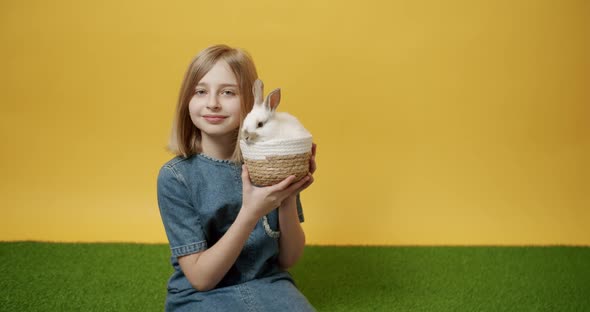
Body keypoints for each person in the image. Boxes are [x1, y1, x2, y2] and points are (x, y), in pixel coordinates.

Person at [156, 44, 317, 311]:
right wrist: (251, 212)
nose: (212, 103)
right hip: (202, 296)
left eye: (228, 92)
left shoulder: (269, 165)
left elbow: (288, 259)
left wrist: (288, 195)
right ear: (187, 100)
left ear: (250, 102)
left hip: (268, 284)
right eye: (200, 91)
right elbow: (200, 279)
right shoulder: (176, 177)